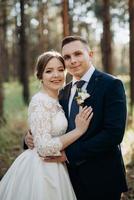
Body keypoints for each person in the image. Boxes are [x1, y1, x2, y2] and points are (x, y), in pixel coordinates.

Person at [25, 36, 128, 200]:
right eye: (67, 57)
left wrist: (69, 155)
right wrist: (30, 139)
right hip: (67, 179)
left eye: (77, 54)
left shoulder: (111, 85)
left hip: (102, 178)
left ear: (90, 54)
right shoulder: (63, 91)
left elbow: (114, 134)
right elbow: (52, 126)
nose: (72, 61)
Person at [0, 51, 93, 200]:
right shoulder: (40, 102)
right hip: (41, 169)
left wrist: (30, 135)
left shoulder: (61, 97)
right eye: (49, 71)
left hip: (59, 166)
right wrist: (78, 131)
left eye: (60, 70)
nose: (56, 75)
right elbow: (43, 147)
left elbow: (44, 129)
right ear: (40, 76)